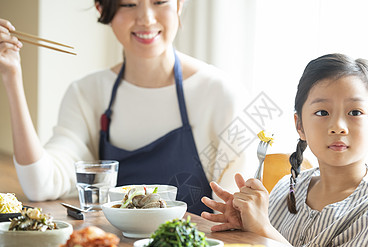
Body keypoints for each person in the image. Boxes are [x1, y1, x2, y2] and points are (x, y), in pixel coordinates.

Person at [0, 0, 251, 215]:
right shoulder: (87, 93)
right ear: (102, 9)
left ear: (179, 4)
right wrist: (12, 76)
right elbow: (40, 184)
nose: (146, 18)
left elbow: (230, 214)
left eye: (160, 1)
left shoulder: (221, 94)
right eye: (129, 4)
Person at [201, 53, 368, 247]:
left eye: (355, 112)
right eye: (322, 112)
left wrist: (263, 229)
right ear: (299, 125)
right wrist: (246, 227)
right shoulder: (287, 187)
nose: (338, 126)